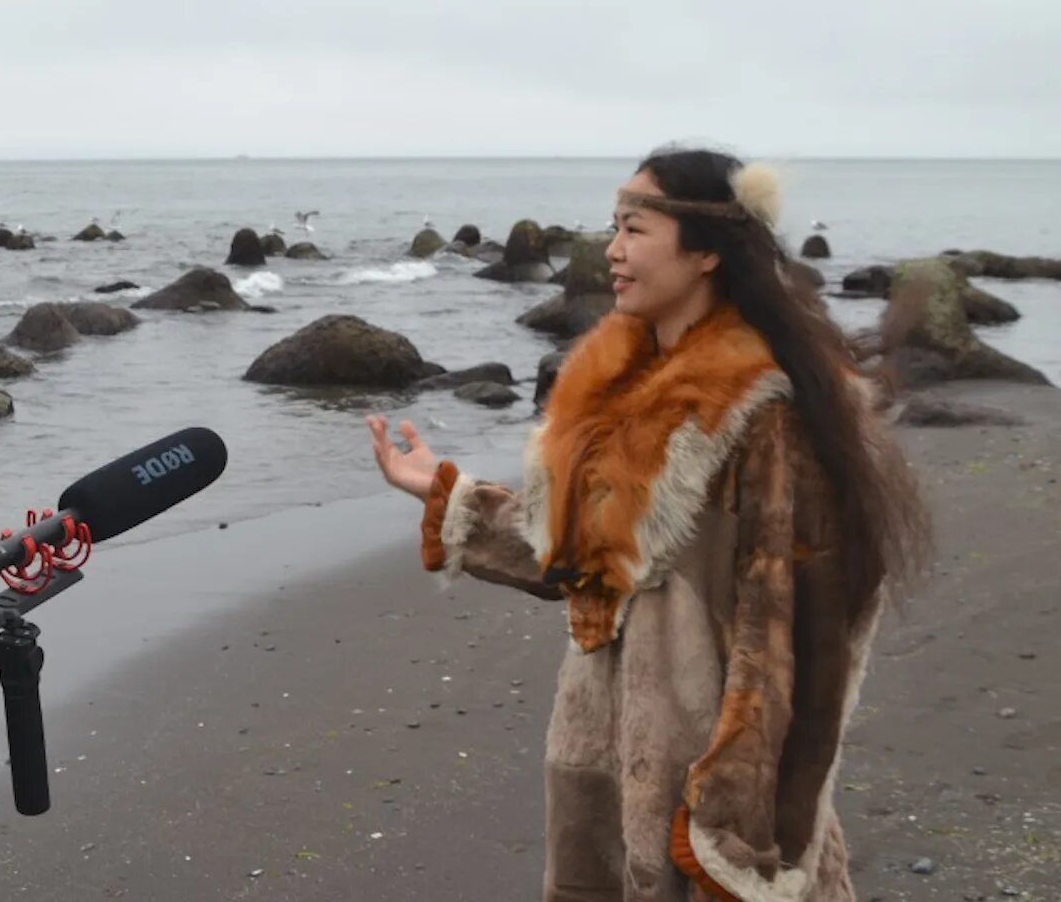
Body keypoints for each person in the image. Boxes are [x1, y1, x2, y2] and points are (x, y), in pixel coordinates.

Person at [367, 147, 930, 901]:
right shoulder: (611, 391)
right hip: (599, 756)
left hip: (704, 785)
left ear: (704, 252)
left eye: (634, 228)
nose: (613, 251)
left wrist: (739, 822)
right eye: (614, 227)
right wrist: (449, 494)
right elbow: (578, 559)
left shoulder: (766, 414)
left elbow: (794, 634)